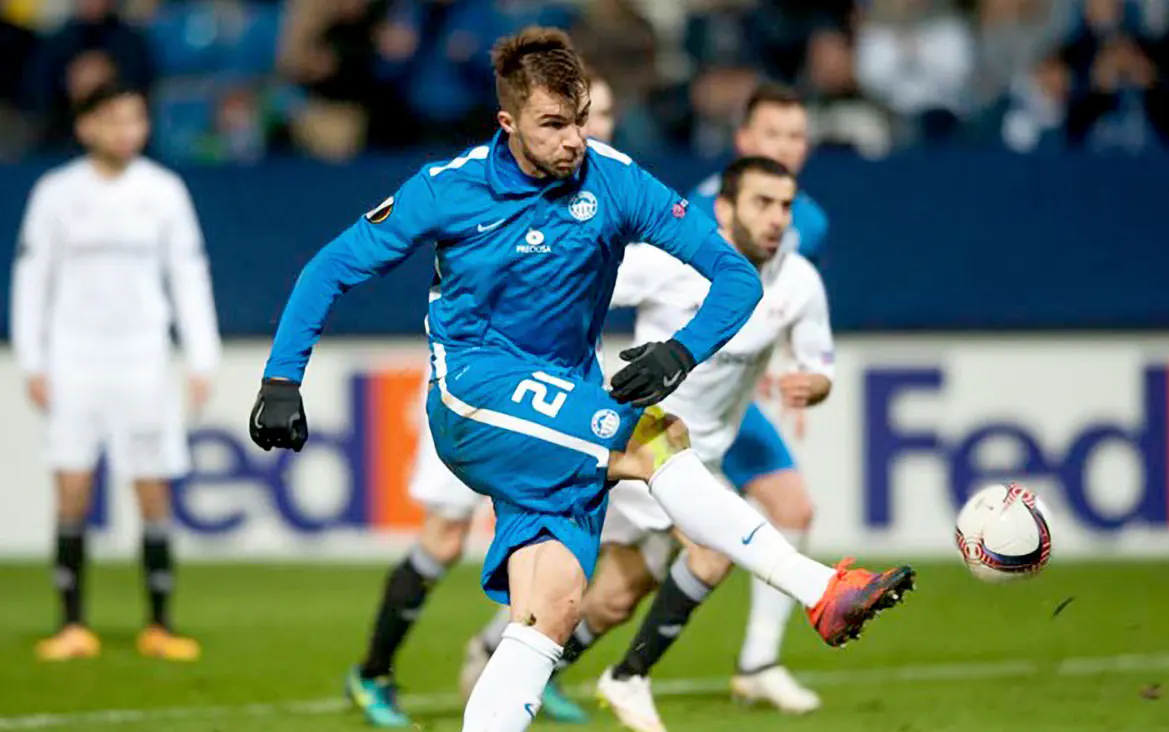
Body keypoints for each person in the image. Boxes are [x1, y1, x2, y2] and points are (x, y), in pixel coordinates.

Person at [248, 27, 913, 732]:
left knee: (553, 608)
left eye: (581, 118)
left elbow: (734, 275)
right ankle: (820, 589)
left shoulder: (616, 181)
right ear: (508, 124)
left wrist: (681, 352)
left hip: (562, 398)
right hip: (474, 393)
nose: (573, 139)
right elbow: (331, 267)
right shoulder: (448, 190)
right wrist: (282, 379)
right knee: (657, 439)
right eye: (554, 124)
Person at [341, 67, 618, 729]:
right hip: (476, 396)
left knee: (560, 548)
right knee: (442, 537)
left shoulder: (605, 194)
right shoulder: (490, 191)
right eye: (582, 116)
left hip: (554, 402)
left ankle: (519, 662)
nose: (592, 130)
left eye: (599, 117)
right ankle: (373, 671)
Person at [543, 156, 837, 732]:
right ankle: (627, 678)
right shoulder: (673, 262)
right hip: (639, 439)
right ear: (724, 208)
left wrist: (816, 384)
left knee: (614, 600)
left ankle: (531, 670)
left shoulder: (800, 281)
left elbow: (820, 360)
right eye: (762, 203)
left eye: (786, 206)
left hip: (702, 453)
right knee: (714, 551)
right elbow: (576, 288)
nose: (778, 218)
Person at [11, 82, 220, 662]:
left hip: (143, 358)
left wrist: (200, 355)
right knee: (72, 486)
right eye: (114, 121)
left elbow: (188, 276)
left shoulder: (163, 191)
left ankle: (159, 622)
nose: (127, 131)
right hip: (74, 357)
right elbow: (33, 280)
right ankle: (72, 623)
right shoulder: (56, 193)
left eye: (135, 120)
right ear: (87, 128)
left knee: (152, 488)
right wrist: (32, 358)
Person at [689, 82, 835, 709]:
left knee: (793, 508)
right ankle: (514, 643)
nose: (787, 147)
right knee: (626, 568)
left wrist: (803, 373)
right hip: (675, 409)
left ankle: (758, 662)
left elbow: (781, 304)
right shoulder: (693, 214)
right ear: (743, 142)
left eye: (797, 136)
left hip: (733, 408)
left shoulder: (812, 222)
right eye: (773, 135)